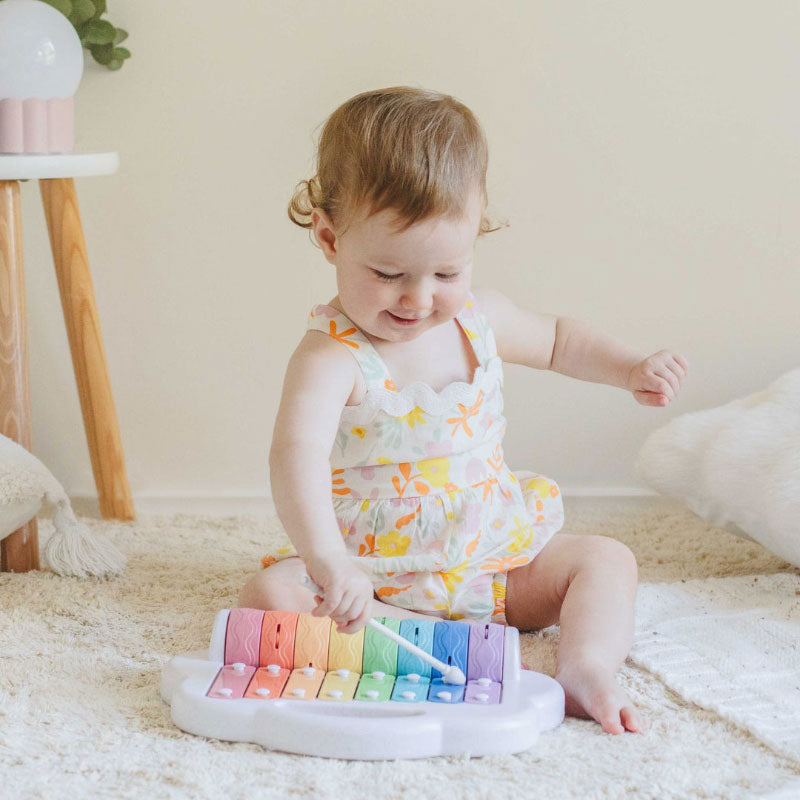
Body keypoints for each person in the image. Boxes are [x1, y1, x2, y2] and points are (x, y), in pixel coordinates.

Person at [239, 86, 688, 734]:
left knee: (606, 560)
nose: (419, 298)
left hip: (493, 566)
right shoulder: (331, 357)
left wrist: (631, 368)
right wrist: (328, 562)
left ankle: (586, 667)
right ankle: (407, 639)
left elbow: (560, 340)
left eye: (447, 273)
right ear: (331, 238)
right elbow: (296, 456)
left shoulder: (480, 320)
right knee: (269, 599)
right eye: (389, 273)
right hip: (373, 578)